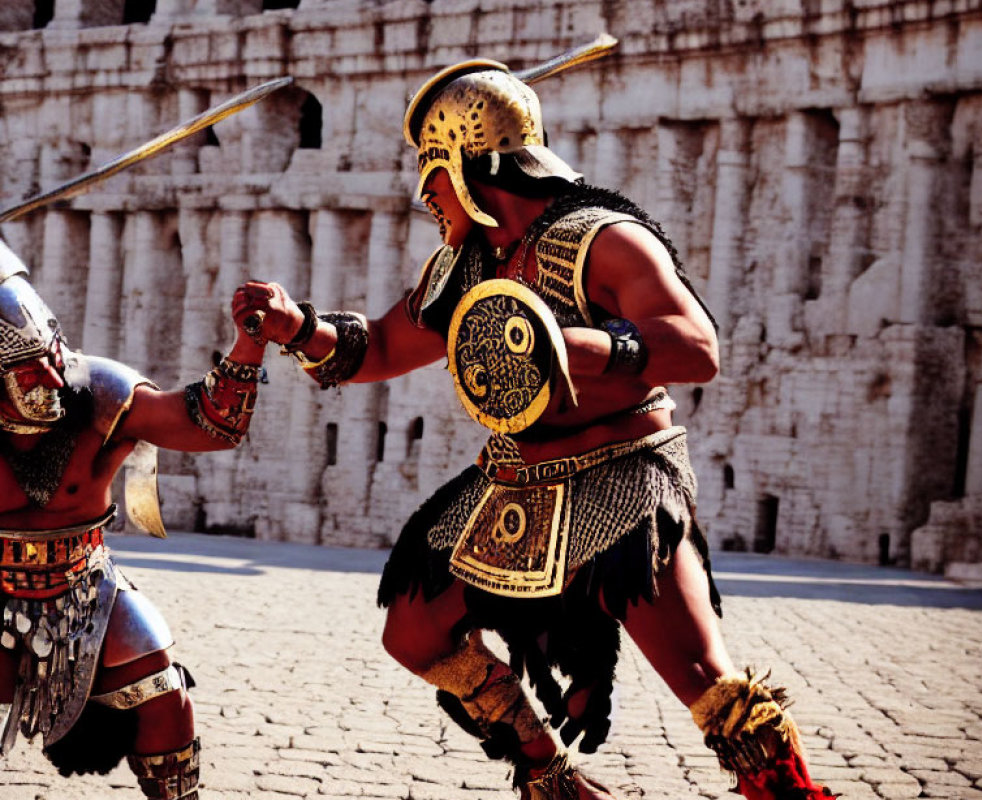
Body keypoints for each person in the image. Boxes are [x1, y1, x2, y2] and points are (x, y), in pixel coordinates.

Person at [234, 58, 832, 800]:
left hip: (620, 474)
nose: (426, 194)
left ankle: (790, 795)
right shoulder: (464, 265)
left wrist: (583, 346)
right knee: (415, 629)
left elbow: (697, 348)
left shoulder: (604, 239)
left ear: (463, 165)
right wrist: (303, 329)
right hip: (517, 478)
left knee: (710, 686)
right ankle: (550, 778)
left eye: (432, 171)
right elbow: (381, 348)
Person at [0, 237, 265, 799]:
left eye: (53, 356)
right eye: (27, 372)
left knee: (165, 696)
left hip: (82, 590)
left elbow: (210, 423)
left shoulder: (99, 394)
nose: (52, 380)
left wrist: (248, 346)